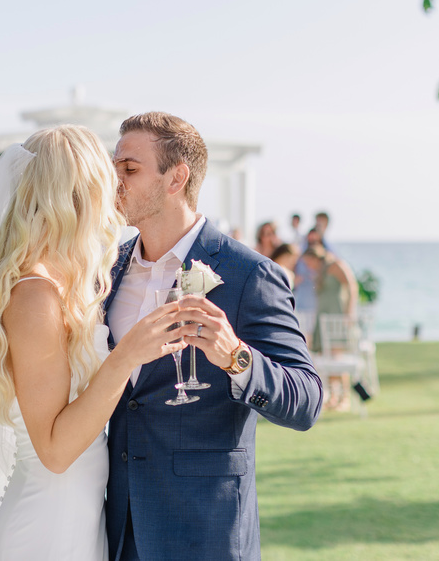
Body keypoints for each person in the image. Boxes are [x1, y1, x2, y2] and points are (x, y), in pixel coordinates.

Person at [0, 126, 187, 561]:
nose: (115, 196)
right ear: (75, 195)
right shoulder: (34, 294)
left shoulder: (59, 283)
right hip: (50, 521)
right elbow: (53, 450)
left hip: (78, 510)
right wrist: (126, 354)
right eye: (105, 183)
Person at [106, 112, 322, 560]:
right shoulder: (108, 270)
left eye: (129, 169)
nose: (115, 181)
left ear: (176, 178)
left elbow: (306, 401)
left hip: (205, 528)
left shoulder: (250, 275)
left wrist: (235, 357)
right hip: (118, 527)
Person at [301, 245, 358, 410]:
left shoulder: (336, 264)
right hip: (323, 317)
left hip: (337, 317)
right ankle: (333, 396)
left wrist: (349, 312)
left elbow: (352, 286)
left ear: (315, 257)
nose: (308, 266)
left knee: (337, 357)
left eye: (308, 262)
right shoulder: (319, 272)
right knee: (328, 356)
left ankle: (344, 397)